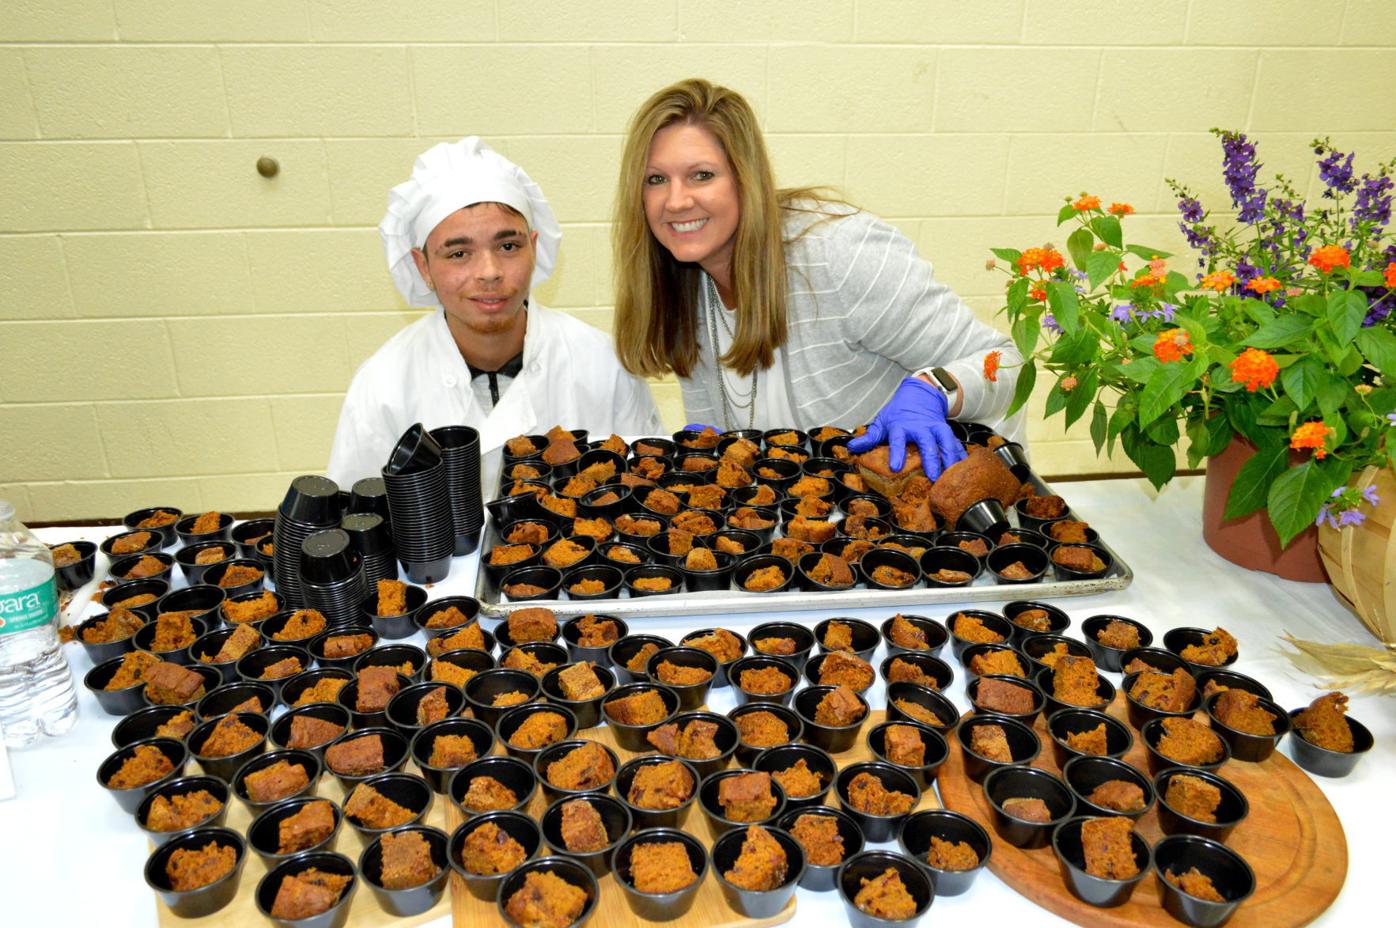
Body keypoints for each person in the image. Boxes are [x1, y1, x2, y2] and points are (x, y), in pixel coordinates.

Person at [611, 78, 1024, 479]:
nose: (677, 200)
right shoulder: (685, 282)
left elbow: (1007, 365)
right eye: (656, 179)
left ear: (745, 178)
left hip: (913, 518)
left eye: (702, 175)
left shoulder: (840, 252)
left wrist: (933, 389)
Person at [328, 137, 664, 487]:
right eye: (459, 253)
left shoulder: (605, 365)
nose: (489, 272)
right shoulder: (383, 386)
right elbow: (355, 519)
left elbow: (651, 492)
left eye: (508, 246)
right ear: (423, 266)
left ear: (534, 248)